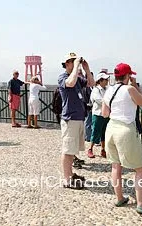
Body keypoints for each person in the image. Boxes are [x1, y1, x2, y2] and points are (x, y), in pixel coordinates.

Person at [102, 63, 142, 214]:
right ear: (127, 76)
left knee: (116, 166)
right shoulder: (130, 89)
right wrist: (136, 86)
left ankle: (119, 198)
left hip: (111, 129)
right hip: (125, 130)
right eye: (130, 75)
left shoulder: (109, 90)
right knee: (140, 168)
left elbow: (105, 113)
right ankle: (141, 204)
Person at [58, 52, 95, 189]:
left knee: (72, 150)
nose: (75, 63)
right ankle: (67, 180)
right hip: (70, 118)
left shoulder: (78, 78)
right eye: (72, 61)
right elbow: (70, 82)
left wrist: (86, 69)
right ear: (67, 64)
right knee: (68, 150)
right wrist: (75, 67)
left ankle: (70, 174)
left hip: (79, 118)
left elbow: (91, 83)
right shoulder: (63, 77)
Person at [87, 72, 110, 158]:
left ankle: (103, 149)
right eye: (105, 80)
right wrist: (109, 102)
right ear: (100, 81)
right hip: (98, 114)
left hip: (105, 114)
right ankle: (90, 149)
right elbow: (99, 100)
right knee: (95, 131)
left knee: (104, 132)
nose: (107, 81)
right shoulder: (96, 90)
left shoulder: (106, 89)